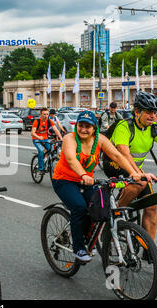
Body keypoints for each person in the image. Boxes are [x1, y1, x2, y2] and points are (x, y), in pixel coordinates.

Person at [52, 110, 143, 262]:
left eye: (88, 126)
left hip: (87, 180)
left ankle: (89, 238)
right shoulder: (70, 138)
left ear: (94, 128)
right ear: (77, 126)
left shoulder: (100, 140)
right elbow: (71, 159)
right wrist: (84, 175)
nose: (83, 129)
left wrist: (133, 173)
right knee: (79, 207)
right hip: (64, 180)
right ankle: (79, 248)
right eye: (81, 125)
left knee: (98, 207)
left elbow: (117, 156)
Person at [103, 91, 157, 241]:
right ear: (137, 112)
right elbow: (124, 154)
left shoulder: (153, 128)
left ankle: (147, 247)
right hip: (115, 164)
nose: (153, 116)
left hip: (134, 167)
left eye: (155, 112)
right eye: (149, 112)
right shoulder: (124, 126)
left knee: (151, 205)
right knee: (140, 182)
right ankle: (116, 212)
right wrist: (139, 174)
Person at [31, 108, 63, 172]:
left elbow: (56, 130)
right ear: (40, 114)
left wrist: (61, 138)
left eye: (47, 114)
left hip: (45, 139)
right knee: (41, 150)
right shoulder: (37, 121)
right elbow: (32, 133)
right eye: (44, 114)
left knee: (50, 150)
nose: (46, 116)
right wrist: (39, 137)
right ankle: (40, 168)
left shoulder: (49, 121)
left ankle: (48, 164)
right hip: (36, 139)